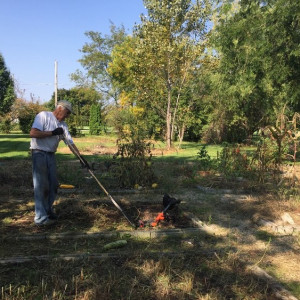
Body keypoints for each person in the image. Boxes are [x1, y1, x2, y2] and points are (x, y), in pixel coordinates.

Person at [30, 100, 88, 226]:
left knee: (53, 185)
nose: (67, 116)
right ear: (60, 108)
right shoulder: (43, 116)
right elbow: (33, 133)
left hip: (50, 155)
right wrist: (52, 133)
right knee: (41, 185)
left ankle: (48, 211)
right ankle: (40, 218)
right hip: (39, 153)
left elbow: (70, 143)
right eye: (67, 113)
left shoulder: (63, 125)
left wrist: (81, 158)